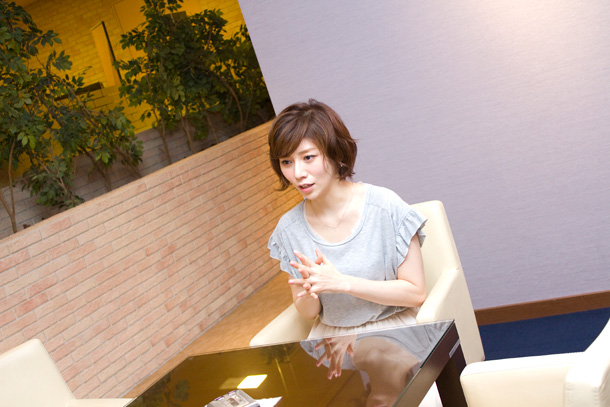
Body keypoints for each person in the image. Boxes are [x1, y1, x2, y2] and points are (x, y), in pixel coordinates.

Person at [267, 99, 428, 374]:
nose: (298, 173)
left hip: (393, 329)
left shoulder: (385, 207)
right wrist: (309, 291)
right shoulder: (288, 229)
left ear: (334, 152)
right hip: (332, 341)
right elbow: (309, 313)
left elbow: (416, 293)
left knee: (385, 381)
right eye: (286, 162)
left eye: (308, 157)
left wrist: (343, 283)